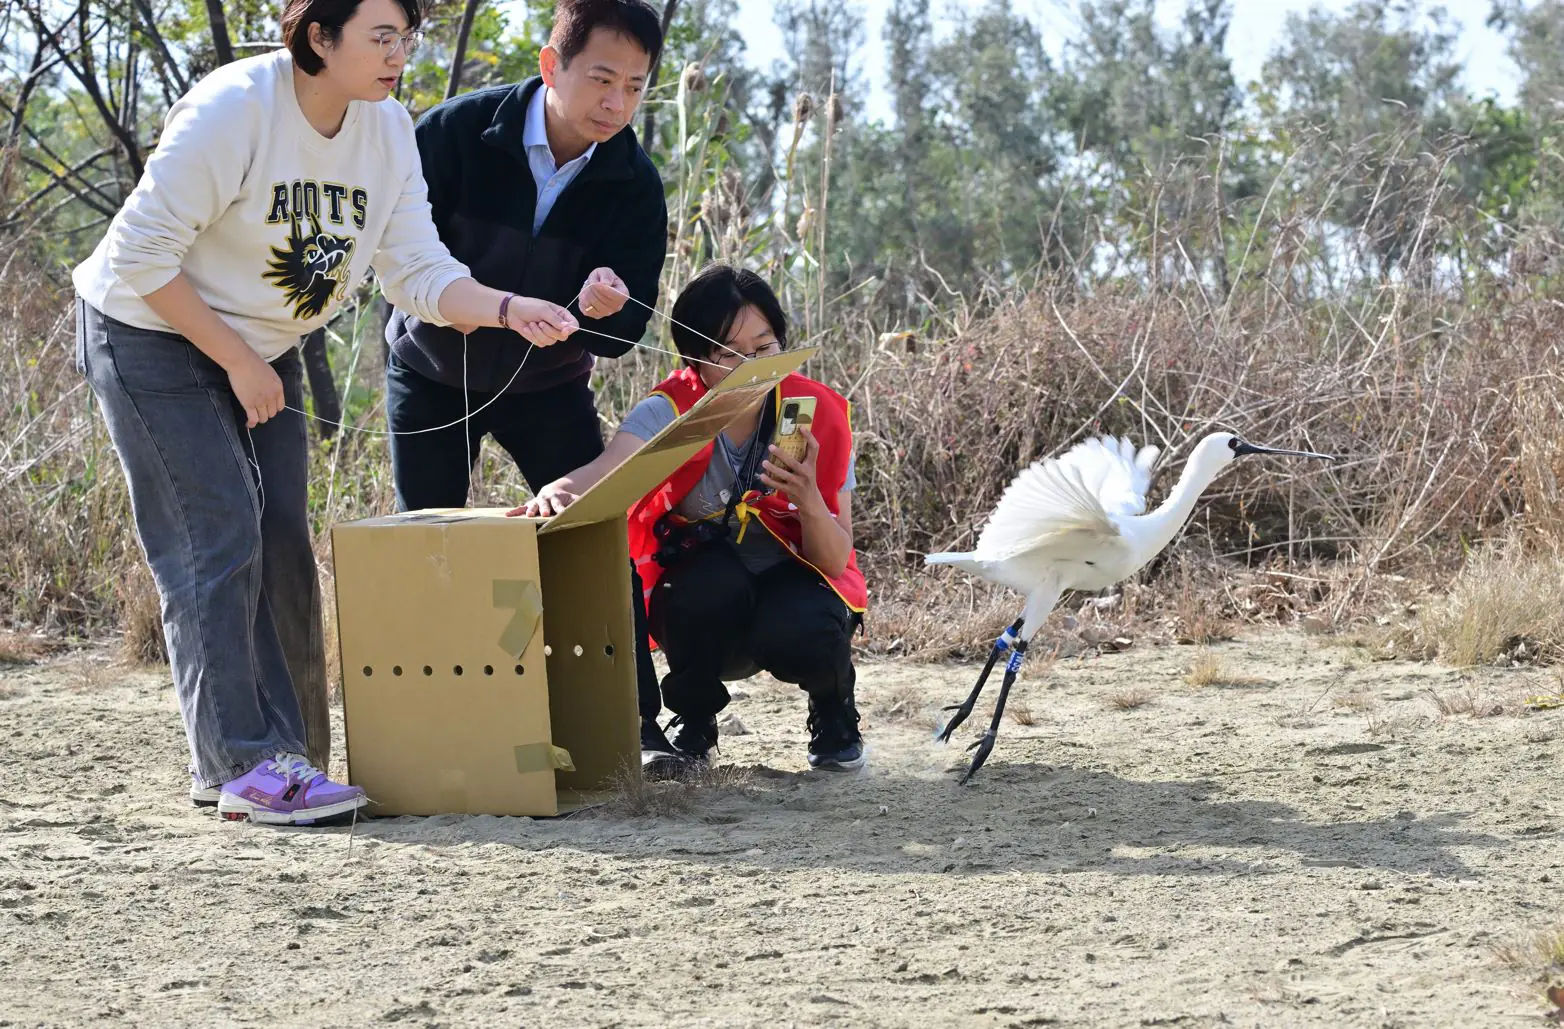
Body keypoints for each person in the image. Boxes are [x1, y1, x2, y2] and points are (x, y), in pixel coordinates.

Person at [71, 0, 577, 826]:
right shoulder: (236, 109)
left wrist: (508, 306)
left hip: (260, 344)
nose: (399, 55)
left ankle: (296, 762)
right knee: (217, 533)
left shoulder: (386, 131)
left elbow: (416, 268)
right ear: (318, 36)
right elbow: (138, 255)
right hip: (149, 326)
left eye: (406, 38)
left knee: (280, 543)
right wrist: (235, 360)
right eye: (382, 37)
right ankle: (236, 766)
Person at [383, 0, 671, 765]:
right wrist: (493, 311)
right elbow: (397, 256)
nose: (617, 104)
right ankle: (441, 731)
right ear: (552, 65)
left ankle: (637, 727)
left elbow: (622, 336)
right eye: (602, 79)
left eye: (636, 87)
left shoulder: (635, 183)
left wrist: (607, 308)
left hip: (549, 386)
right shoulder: (451, 134)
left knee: (594, 542)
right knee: (432, 544)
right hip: (432, 371)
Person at [515, 264, 868, 772]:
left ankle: (834, 714)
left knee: (805, 625)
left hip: (796, 582)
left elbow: (836, 561)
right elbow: (605, 471)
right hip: (709, 586)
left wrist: (809, 498)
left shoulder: (812, 409)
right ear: (695, 359)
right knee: (696, 590)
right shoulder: (672, 408)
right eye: (729, 353)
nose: (753, 364)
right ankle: (694, 719)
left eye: (765, 347)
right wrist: (557, 490)